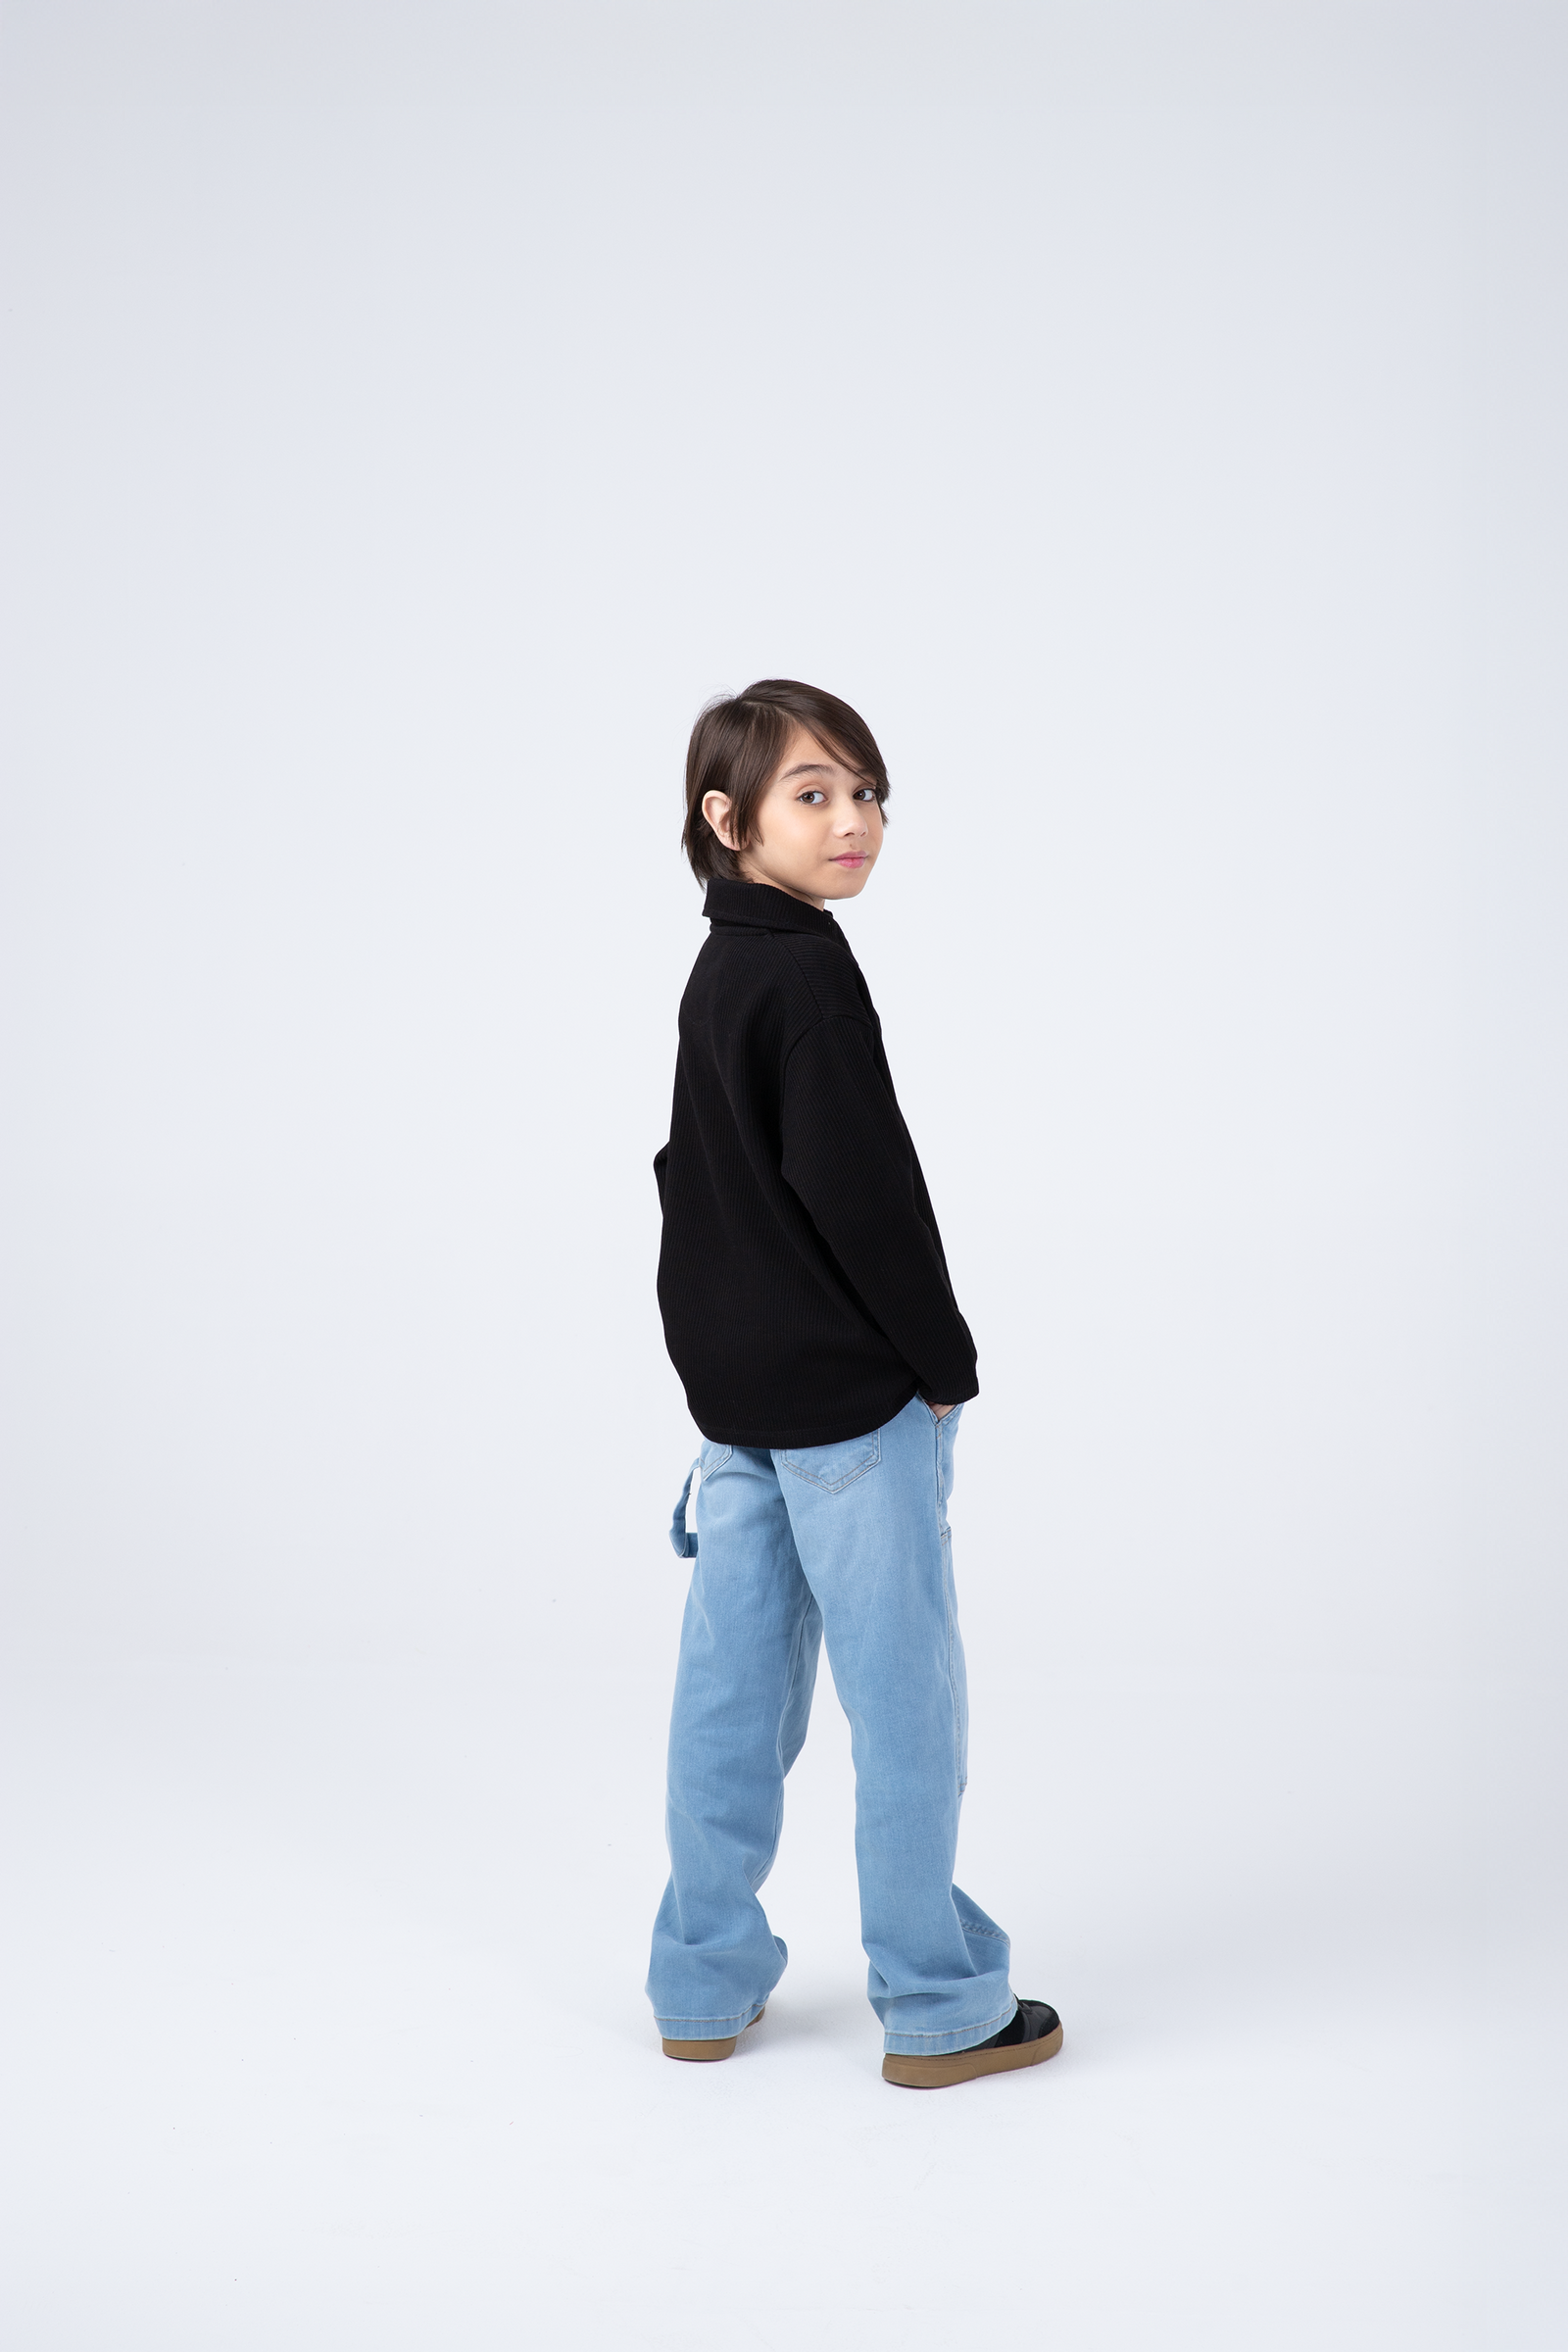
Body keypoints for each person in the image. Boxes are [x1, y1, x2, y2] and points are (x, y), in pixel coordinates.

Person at [647, 679, 1060, 2089]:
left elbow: (690, 1182)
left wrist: (710, 1364)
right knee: (904, 1708)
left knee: (731, 1699)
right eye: (814, 794)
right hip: (843, 1412)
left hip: (738, 1411)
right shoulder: (808, 975)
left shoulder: (721, 967)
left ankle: (700, 1982)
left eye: (868, 792)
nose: (854, 821)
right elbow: (863, 1195)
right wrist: (943, 1364)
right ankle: (939, 2002)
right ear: (728, 819)